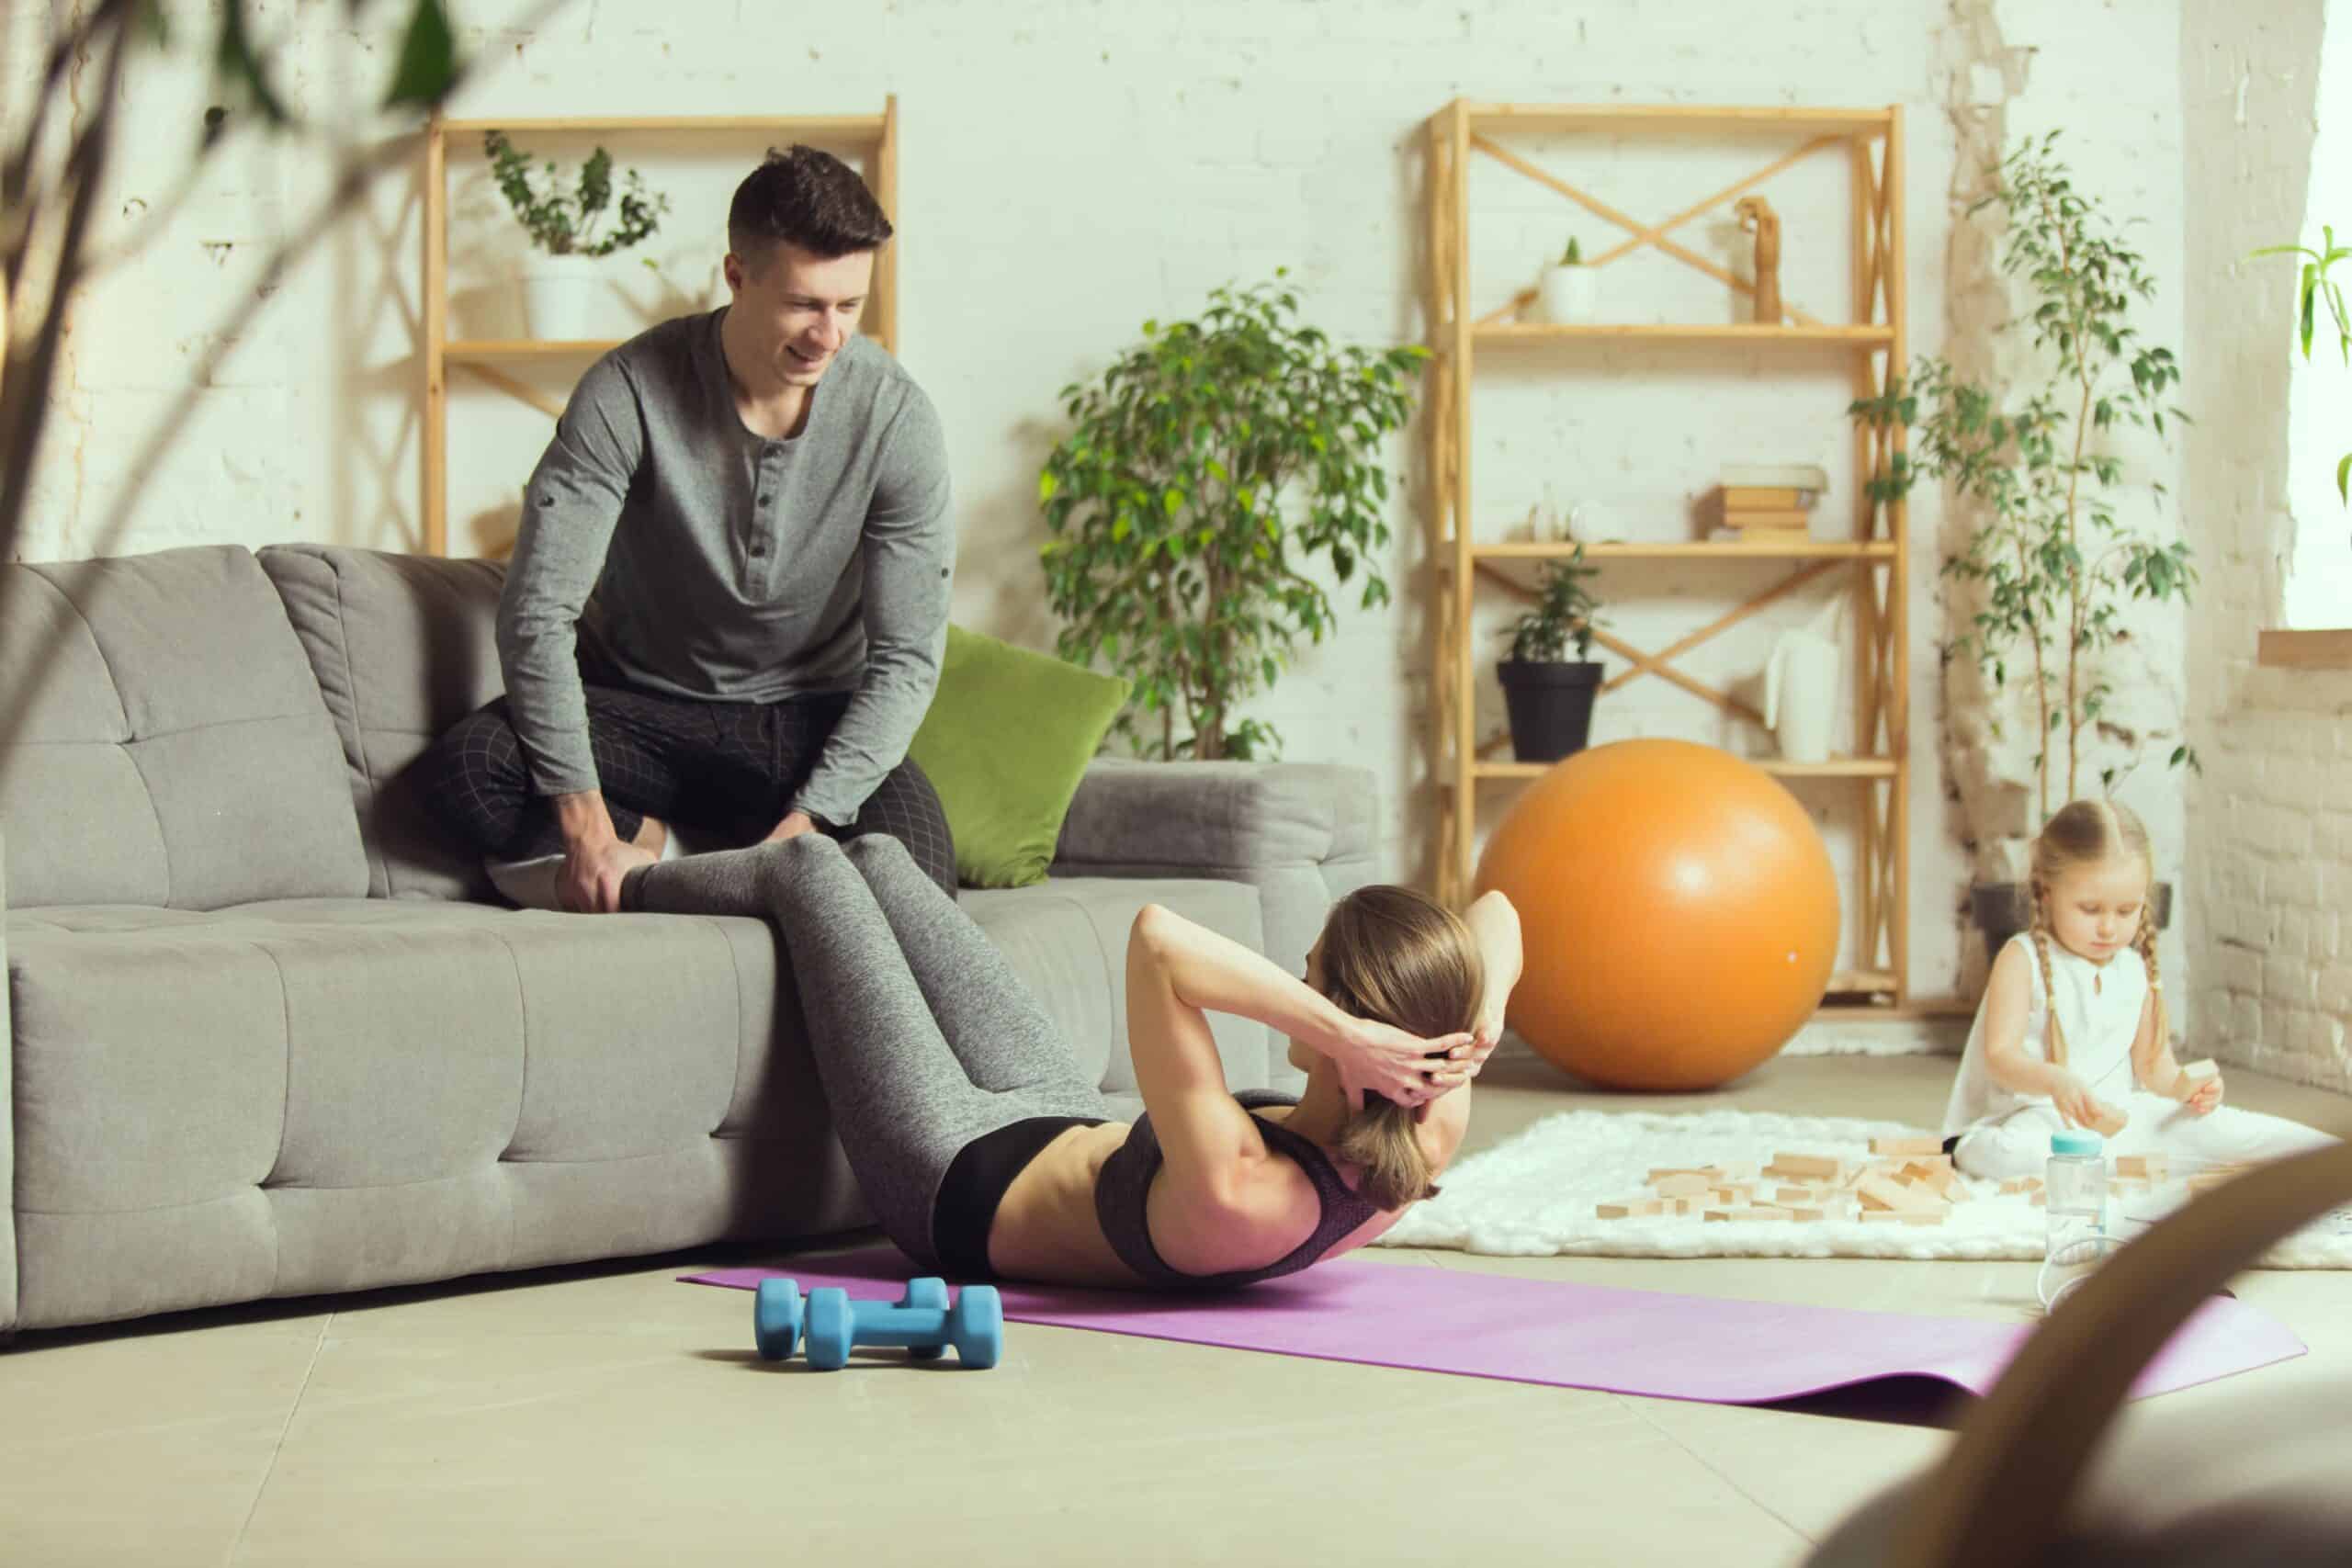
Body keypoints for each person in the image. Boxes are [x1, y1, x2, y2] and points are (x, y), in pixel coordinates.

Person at [416, 145, 958, 913]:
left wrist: (805, 827)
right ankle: (686, 848)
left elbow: (906, 660)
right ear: (737, 275)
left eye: (849, 306)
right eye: (805, 304)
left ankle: (704, 860)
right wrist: (586, 822)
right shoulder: (628, 391)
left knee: (922, 884)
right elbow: (537, 614)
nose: (829, 336)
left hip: (809, 724)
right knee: (469, 771)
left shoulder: (898, 418)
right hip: (649, 714)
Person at [622, 831, 1521, 1286]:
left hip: (955, 1176)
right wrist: (1476, 1017)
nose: (1295, 979)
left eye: (1311, 976)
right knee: (880, 855)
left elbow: (1159, 944)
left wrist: (1342, 1026)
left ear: (1343, 1032)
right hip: (1057, 1112)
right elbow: (1499, 914)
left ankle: (617, 881)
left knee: (814, 867)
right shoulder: (1428, 1125)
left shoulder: (1243, 1189)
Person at [1942, 798, 2335, 1182]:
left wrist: (2189, 1088)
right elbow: (2000, 1057)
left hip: (2119, 1119)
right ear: (2046, 893)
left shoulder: (2134, 968)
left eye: (2125, 911)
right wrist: (2056, 1081)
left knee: (2229, 1129)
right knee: (2018, 1156)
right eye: (2090, 910)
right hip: (2030, 1120)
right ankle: (2114, 1162)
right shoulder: (2020, 957)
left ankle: (2332, 1156)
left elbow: (2155, 1070)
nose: (2109, 928)